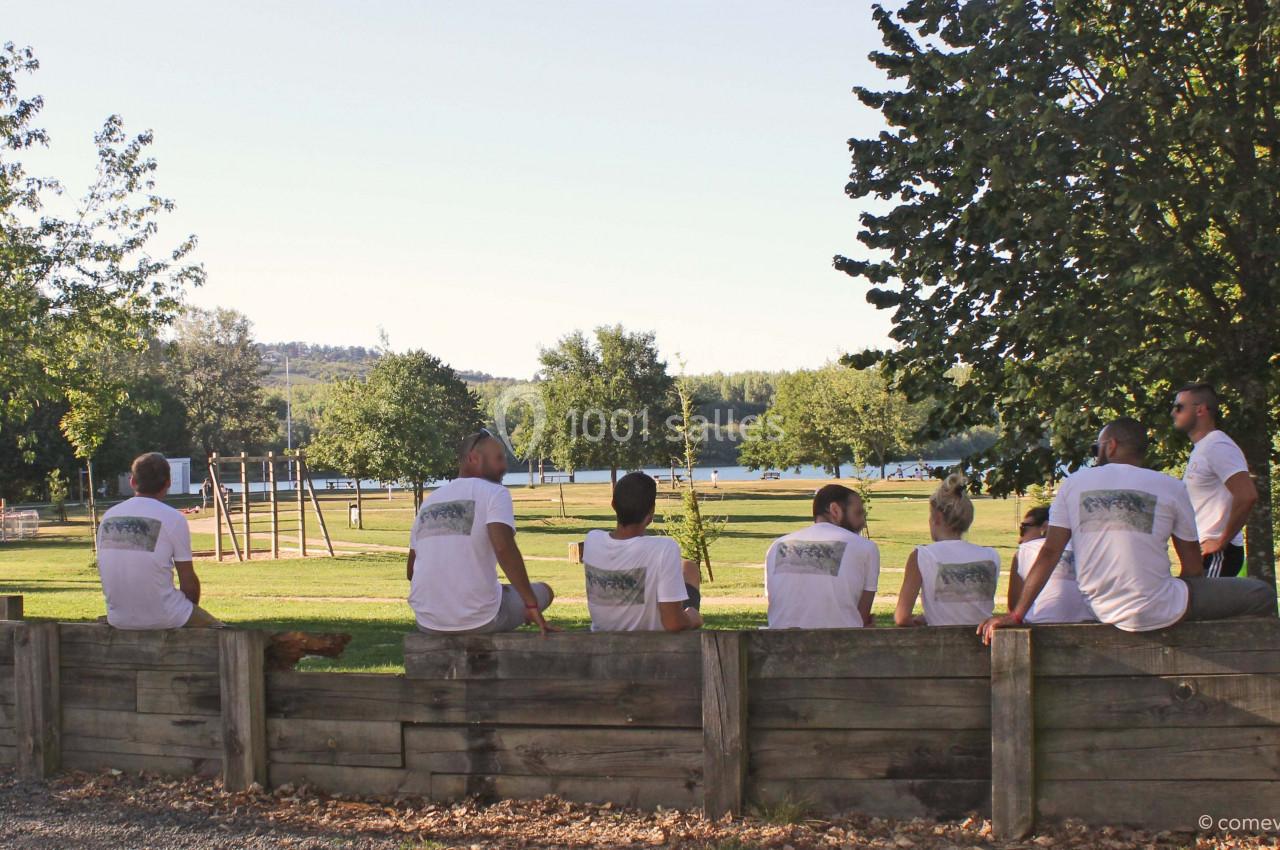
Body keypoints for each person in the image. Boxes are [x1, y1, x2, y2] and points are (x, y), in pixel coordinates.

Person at [979, 418, 1275, 644]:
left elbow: (1050, 551)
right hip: (1162, 607)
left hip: (1102, 607)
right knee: (1260, 593)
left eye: (1097, 448)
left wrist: (1016, 614)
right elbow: (1193, 568)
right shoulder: (1171, 487)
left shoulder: (1074, 484)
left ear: (1110, 446)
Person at [407, 429, 557, 634]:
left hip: (427, 622)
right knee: (545, 591)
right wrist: (530, 605)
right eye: (498, 459)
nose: (504, 466)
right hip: (481, 618)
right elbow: (504, 548)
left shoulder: (430, 502)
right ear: (473, 458)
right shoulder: (495, 492)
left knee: (498, 589)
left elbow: (411, 570)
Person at [96, 452, 222, 629]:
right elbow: (188, 581)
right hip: (167, 615)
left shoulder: (109, 517)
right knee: (219, 630)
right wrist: (189, 610)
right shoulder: (173, 518)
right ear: (168, 483)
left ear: (132, 481)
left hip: (118, 617)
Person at [582, 472, 702, 632]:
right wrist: (693, 617)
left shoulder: (592, 540)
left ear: (613, 504)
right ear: (651, 513)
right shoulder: (664, 548)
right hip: (652, 650)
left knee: (688, 567)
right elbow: (674, 624)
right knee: (690, 569)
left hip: (601, 644)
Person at [1172, 383, 1259, 577]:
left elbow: (1247, 496)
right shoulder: (1202, 448)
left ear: (1201, 409)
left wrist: (1221, 541)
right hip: (1204, 552)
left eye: (1179, 407)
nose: (1173, 412)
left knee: (1207, 608)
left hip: (1218, 553)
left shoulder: (1218, 445)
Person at [765, 484, 879, 629]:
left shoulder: (777, 546)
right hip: (839, 646)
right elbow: (862, 618)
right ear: (835, 510)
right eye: (858, 513)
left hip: (777, 646)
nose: (862, 522)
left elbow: (777, 603)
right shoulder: (865, 548)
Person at [896, 473, 999, 627]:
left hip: (941, 646)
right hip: (983, 645)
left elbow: (901, 617)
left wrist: (924, 619)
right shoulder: (991, 556)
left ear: (937, 518)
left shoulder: (923, 555)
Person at [1007, 506, 1093, 624]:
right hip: (1090, 623)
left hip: (1039, 627)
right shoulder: (1086, 548)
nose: (1020, 538)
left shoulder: (1025, 550)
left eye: (1024, 528)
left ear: (1045, 527)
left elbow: (1013, 606)